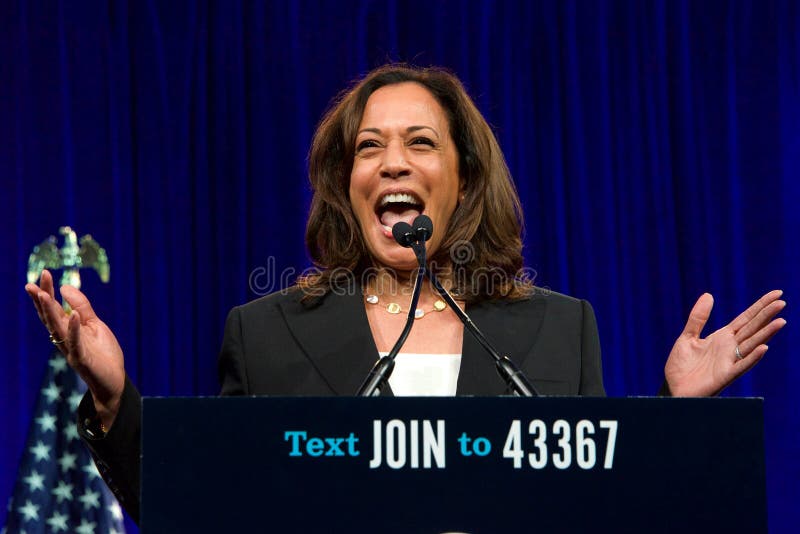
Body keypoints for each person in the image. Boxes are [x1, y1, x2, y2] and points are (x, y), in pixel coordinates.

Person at [25, 64, 786, 524]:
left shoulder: (555, 331)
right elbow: (201, 509)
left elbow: (598, 504)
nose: (393, 164)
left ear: (463, 181)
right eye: (369, 147)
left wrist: (674, 414)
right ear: (345, 183)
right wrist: (114, 401)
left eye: (420, 143)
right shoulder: (268, 334)